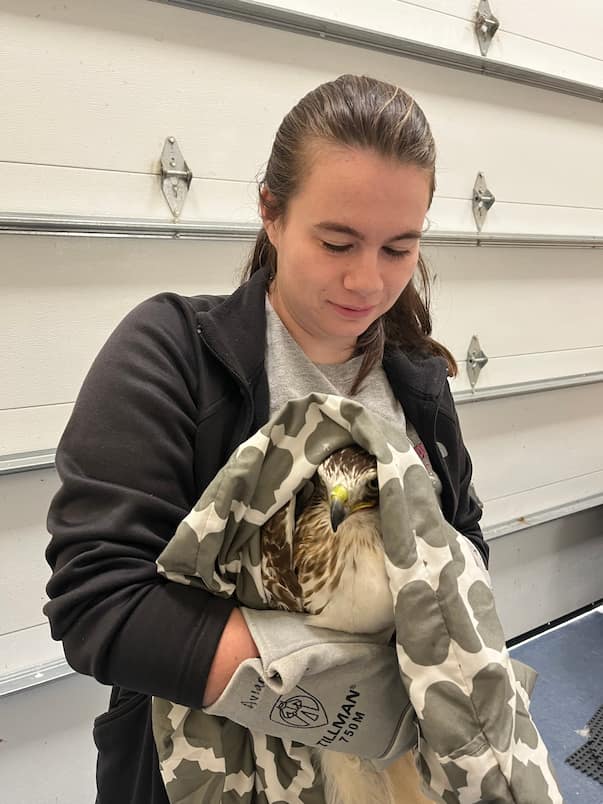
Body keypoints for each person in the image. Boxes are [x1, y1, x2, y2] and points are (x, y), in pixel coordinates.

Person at [44, 74, 488, 804]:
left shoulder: (414, 380)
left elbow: (462, 541)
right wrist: (341, 673)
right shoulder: (170, 353)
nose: (367, 281)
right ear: (271, 213)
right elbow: (101, 606)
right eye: (336, 240)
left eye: (398, 248)